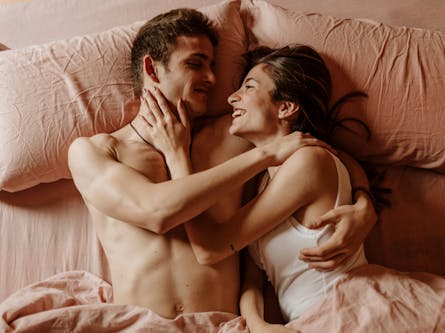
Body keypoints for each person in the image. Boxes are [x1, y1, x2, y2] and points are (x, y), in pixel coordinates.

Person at [68, 8, 376, 320]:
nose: (213, 79)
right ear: (152, 68)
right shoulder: (94, 152)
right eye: (195, 64)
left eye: (212, 66)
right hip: (142, 326)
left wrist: (365, 204)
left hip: (222, 327)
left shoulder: (233, 134)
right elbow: (157, 212)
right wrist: (262, 156)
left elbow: (315, 148)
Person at [140, 44, 369, 331]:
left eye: (249, 87)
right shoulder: (264, 180)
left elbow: (209, 249)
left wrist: (177, 155)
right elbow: (253, 277)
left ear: (285, 107)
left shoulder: (308, 160)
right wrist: (258, 323)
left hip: (347, 316)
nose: (231, 98)